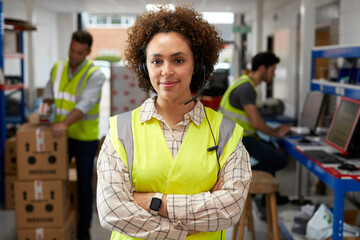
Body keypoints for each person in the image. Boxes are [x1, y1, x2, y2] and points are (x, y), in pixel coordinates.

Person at [96, 5, 252, 239]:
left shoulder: (225, 133)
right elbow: (112, 211)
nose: (166, 71)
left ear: (197, 64)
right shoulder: (121, 131)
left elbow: (229, 210)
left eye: (178, 60)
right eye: (156, 61)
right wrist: (188, 225)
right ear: (144, 66)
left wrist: (152, 202)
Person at [42, 30, 105, 240]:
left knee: (83, 185)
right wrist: (44, 111)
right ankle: (57, 219)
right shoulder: (58, 68)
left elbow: (85, 104)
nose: (74, 55)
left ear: (87, 52)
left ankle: (83, 229)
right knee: (55, 177)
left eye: (79, 52)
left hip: (85, 138)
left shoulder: (95, 74)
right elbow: (49, 93)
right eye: (72, 50)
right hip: (61, 136)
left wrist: (64, 124)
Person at [219, 52, 290, 204]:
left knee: (270, 149)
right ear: (263, 69)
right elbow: (257, 123)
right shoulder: (246, 88)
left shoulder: (245, 83)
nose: (274, 74)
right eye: (272, 70)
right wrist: (277, 132)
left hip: (236, 137)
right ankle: (246, 182)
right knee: (279, 159)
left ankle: (267, 198)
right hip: (237, 140)